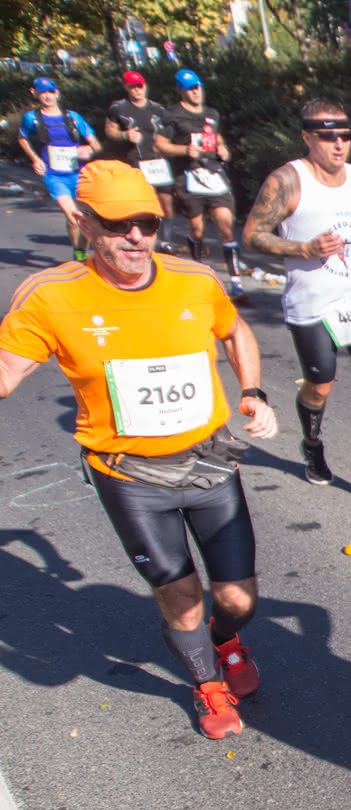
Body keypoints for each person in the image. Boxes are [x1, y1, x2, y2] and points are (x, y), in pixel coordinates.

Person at [0, 161, 279, 738]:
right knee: (181, 599)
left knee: (238, 596)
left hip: (207, 464)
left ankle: (226, 641)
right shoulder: (51, 295)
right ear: (83, 222)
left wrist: (251, 390)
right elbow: (6, 370)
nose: (135, 237)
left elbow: (234, 330)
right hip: (129, 476)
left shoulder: (193, 280)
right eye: (119, 223)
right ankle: (207, 684)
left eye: (147, 224)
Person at [241, 99, 351, 507]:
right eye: (327, 136)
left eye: (344, 135)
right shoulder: (288, 181)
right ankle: (312, 442)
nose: (338, 144)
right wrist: (303, 247)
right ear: (307, 137)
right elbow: (251, 235)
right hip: (312, 303)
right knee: (320, 386)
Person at [155, 69, 246, 299]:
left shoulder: (212, 113)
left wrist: (223, 149)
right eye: (190, 89)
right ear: (180, 91)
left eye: (197, 87)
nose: (195, 92)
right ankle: (197, 270)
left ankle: (236, 284)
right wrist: (183, 150)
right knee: (198, 229)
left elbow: (217, 137)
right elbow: (160, 145)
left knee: (226, 227)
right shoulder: (172, 115)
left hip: (214, 175)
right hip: (188, 178)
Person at [16, 77, 102, 262]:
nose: (47, 96)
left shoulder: (73, 117)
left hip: (79, 174)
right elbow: (22, 138)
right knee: (73, 217)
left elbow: (95, 144)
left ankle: (80, 251)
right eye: (43, 93)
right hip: (54, 176)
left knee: (84, 220)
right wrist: (35, 159)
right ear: (37, 94)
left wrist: (88, 150)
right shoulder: (32, 118)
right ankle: (80, 257)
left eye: (51, 92)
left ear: (57, 93)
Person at [103, 70, 177, 253]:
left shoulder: (158, 109)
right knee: (148, 200)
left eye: (140, 86)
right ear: (126, 88)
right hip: (136, 161)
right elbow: (109, 131)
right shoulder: (118, 108)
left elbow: (171, 130)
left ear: (145, 86)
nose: (137, 90)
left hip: (158, 162)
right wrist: (124, 135)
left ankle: (167, 240)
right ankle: (149, 238)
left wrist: (166, 144)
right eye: (132, 86)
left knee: (166, 202)